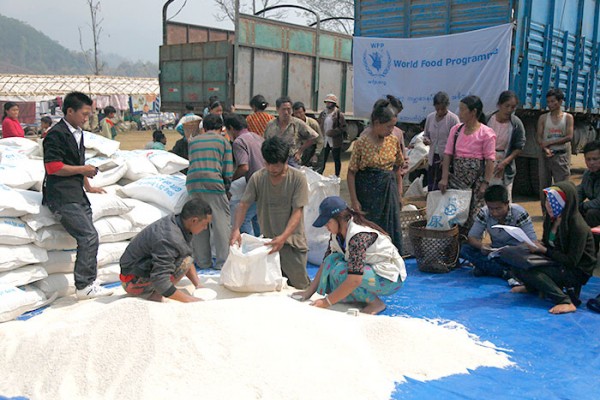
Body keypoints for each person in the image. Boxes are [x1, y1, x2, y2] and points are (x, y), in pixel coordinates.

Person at [42, 91, 113, 299]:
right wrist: (83, 170)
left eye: (89, 114)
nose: (86, 118)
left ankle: (89, 279)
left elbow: (78, 163)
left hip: (77, 193)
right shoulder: (56, 135)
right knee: (88, 236)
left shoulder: (78, 133)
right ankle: (84, 285)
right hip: (62, 196)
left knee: (89, 235)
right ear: (70, 111)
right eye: (83, 114)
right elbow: (53, 167)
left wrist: (88, 186)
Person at [293, 196, 405, 315]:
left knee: (342, 272)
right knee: (332, 261)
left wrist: (326, 302)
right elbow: (327, 262)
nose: (326, 227)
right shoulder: (337, 235)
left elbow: (354, 280)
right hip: (370, 271)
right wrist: (308, 292)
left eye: (328, 223)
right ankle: (359, 298)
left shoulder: (358, 237)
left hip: (389, 278)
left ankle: (376, 303)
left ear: (339, 218)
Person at [230, 136, 310, 289]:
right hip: (267, 244)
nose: (272, 169)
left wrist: (283, 237)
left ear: (286, 161)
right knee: (271, 287)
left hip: (292, 243)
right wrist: (236, 229)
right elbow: (244, 204)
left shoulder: (297, 179)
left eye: (277, 165)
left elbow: (297, 212)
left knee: (299, 287)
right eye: (268, 164)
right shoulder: (258, 178)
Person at [510, 181, 596, 315]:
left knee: (532, 272)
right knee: (516, 262)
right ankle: (532, 287)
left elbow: (572, 261)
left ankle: (565, 301)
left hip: (575, 270)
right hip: (556, 261)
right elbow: (547, 243)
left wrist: (544, 250)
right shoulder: (551, 220)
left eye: (553, 202)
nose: (548, 205)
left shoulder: (578, 227)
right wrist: (536, 245)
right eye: (547, 201)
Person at [119, 198, 211, 303]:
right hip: (132, 282)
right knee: (185, 262)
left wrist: (198, 285)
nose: (205, 228)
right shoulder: (169, 237)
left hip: (139, 270)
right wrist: (189, 299)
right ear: (194, 220)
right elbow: (160, 279)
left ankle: (156, 292)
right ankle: (155, 296)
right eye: (204, 224)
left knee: (186, 258)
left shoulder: (178, 223)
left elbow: (186, 254)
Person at [347, 99, 404, 252]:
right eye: (388, 126)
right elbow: (351, 172)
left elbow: (397, 168)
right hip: (367, 195)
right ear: (377, 123)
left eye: (393, 126)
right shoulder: (361, 143)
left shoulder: (393, 141)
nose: (391, 130)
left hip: (388, 193)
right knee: (369, 231)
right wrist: (354, 200)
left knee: (389, 231)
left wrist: (399, 193)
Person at [439, 95, 496, 233]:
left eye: (463, 109)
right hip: (456, 183)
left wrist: (485, 184)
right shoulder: (456, 130)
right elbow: (447, 154)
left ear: (473, 112)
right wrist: (444, 177)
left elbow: (490, 160)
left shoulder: (486, 133)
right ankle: (455, 246)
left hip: (476, 185)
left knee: (474, 218)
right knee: (454, 216)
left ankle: (470, 246)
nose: (459, 113)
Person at [460, 185, 536, 282]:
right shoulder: (484, 212)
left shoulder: (520, 214)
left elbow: (532, 242)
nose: (494, 213)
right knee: (465, 249)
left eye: (498, 209)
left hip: (515, 253)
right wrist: (482, 246)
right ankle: (504, 271)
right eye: (491, 209)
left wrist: (512, 249)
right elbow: (472, 237)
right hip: (494, 252)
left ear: (507, 204)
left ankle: (488, 268)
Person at [187, 114, 233, 270]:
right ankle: (222, 263)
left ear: (204, 128)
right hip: (213, 182)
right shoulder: (223, 141)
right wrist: (226, 189)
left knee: (199, 222)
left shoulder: (193, 141)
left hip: (193, 184)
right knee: (221, 223)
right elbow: (227, 169)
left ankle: (203, 262)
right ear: (221, 129)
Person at [224, 113, 265, 236]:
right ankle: (260, 246)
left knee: (242, 220)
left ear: (231, 128)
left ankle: (250, 249)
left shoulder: (239, 142)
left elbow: (244, 167)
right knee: (256, 219)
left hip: (256, 185)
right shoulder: (257, 137)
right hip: (267, 182)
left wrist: (230, 180)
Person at [359, 95, 409, 193]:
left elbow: (400, 163)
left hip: (390, 185)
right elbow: (354, 170)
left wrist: (399, 189)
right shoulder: (364, 138)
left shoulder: (396, 135)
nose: (390, 130)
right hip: (369, 187)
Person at [486, 90, 526, 200]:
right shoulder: (487, 119)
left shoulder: (516, 124)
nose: (509, 110)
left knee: (504, 198)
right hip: (487, 165)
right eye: (506, 106)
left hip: (504, 167)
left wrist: (505, 163)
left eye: (512, 107)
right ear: (499, 105)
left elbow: (519, 146)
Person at [536, 88, 574, 200]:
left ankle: (562, 213)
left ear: (560, 101)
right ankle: (546, 213)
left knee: (562, 186)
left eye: (553, 101)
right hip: (545, 155)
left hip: (561, 155)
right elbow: (539, 136)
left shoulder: (568, 118)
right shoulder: (543, 118)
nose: (550, 104)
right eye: (548, 102)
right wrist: (545, 148)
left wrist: (550, 142)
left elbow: (569, 136)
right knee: (544, 185)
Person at [263, 96, 320, 167]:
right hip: (275, 159)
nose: (286, 112)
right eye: (283, 109)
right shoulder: (271, 125)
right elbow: (265, 141)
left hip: (292, 160)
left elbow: (313, 137)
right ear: (277, 109)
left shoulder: (298, 123)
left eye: (288, 109)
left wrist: (300, 151)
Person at [423, 91, 460, 191]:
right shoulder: (430, 117)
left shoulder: (453, 119)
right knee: (431, 184)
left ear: (447, 106)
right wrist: (426, 140)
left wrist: (448, 159)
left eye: (442, 109)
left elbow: (457, 142)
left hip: (446, 158)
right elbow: (426, 134)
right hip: (433, 157)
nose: (439, 111)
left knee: (442, 187)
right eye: (437, 109)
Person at [317, 94, 347, 176]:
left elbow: (343, 128)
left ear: (333, 103)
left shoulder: (338, 114)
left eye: (329, 103)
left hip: (335, 141)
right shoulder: (323, 113)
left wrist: (333, 132)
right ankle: (320, 175)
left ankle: (337, 176)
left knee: (336, 159)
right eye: (327, 102)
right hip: (325, 140)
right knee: (323, 159)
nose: (327, 104)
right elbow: (319, 123)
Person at [292, 101, 324, 168]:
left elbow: (320, 141)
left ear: (304, 112)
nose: (298, 115)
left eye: (300, 113)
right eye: (296, 113)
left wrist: (316, 154)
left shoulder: (313, 123)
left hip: (312, 149)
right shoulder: (292, 124)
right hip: (298, 150)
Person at [577, 140, 600, 228]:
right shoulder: (587, 174)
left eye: (595, 159)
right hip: (591, 208)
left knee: (591, 213)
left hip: (594, 211)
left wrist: (582, 206)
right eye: (588, 159)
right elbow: (581, 191)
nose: (591, 163)